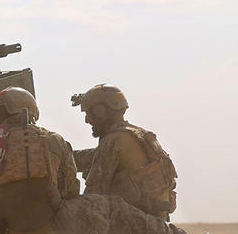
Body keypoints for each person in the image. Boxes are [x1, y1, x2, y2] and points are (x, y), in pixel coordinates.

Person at [0, 87, 208, 234]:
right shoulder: (54, 141)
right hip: (54, 230)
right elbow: (74, 191)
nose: (87, 118)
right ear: (30, 111)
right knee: (110, 206)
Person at [71, 84, 177, 220]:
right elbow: (90, 157)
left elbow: (93, 194)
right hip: (155, 220)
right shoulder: (136, 135)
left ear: (100, 111)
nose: (87, 120)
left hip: (133, 222)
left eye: (89, 113)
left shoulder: (112, 141)